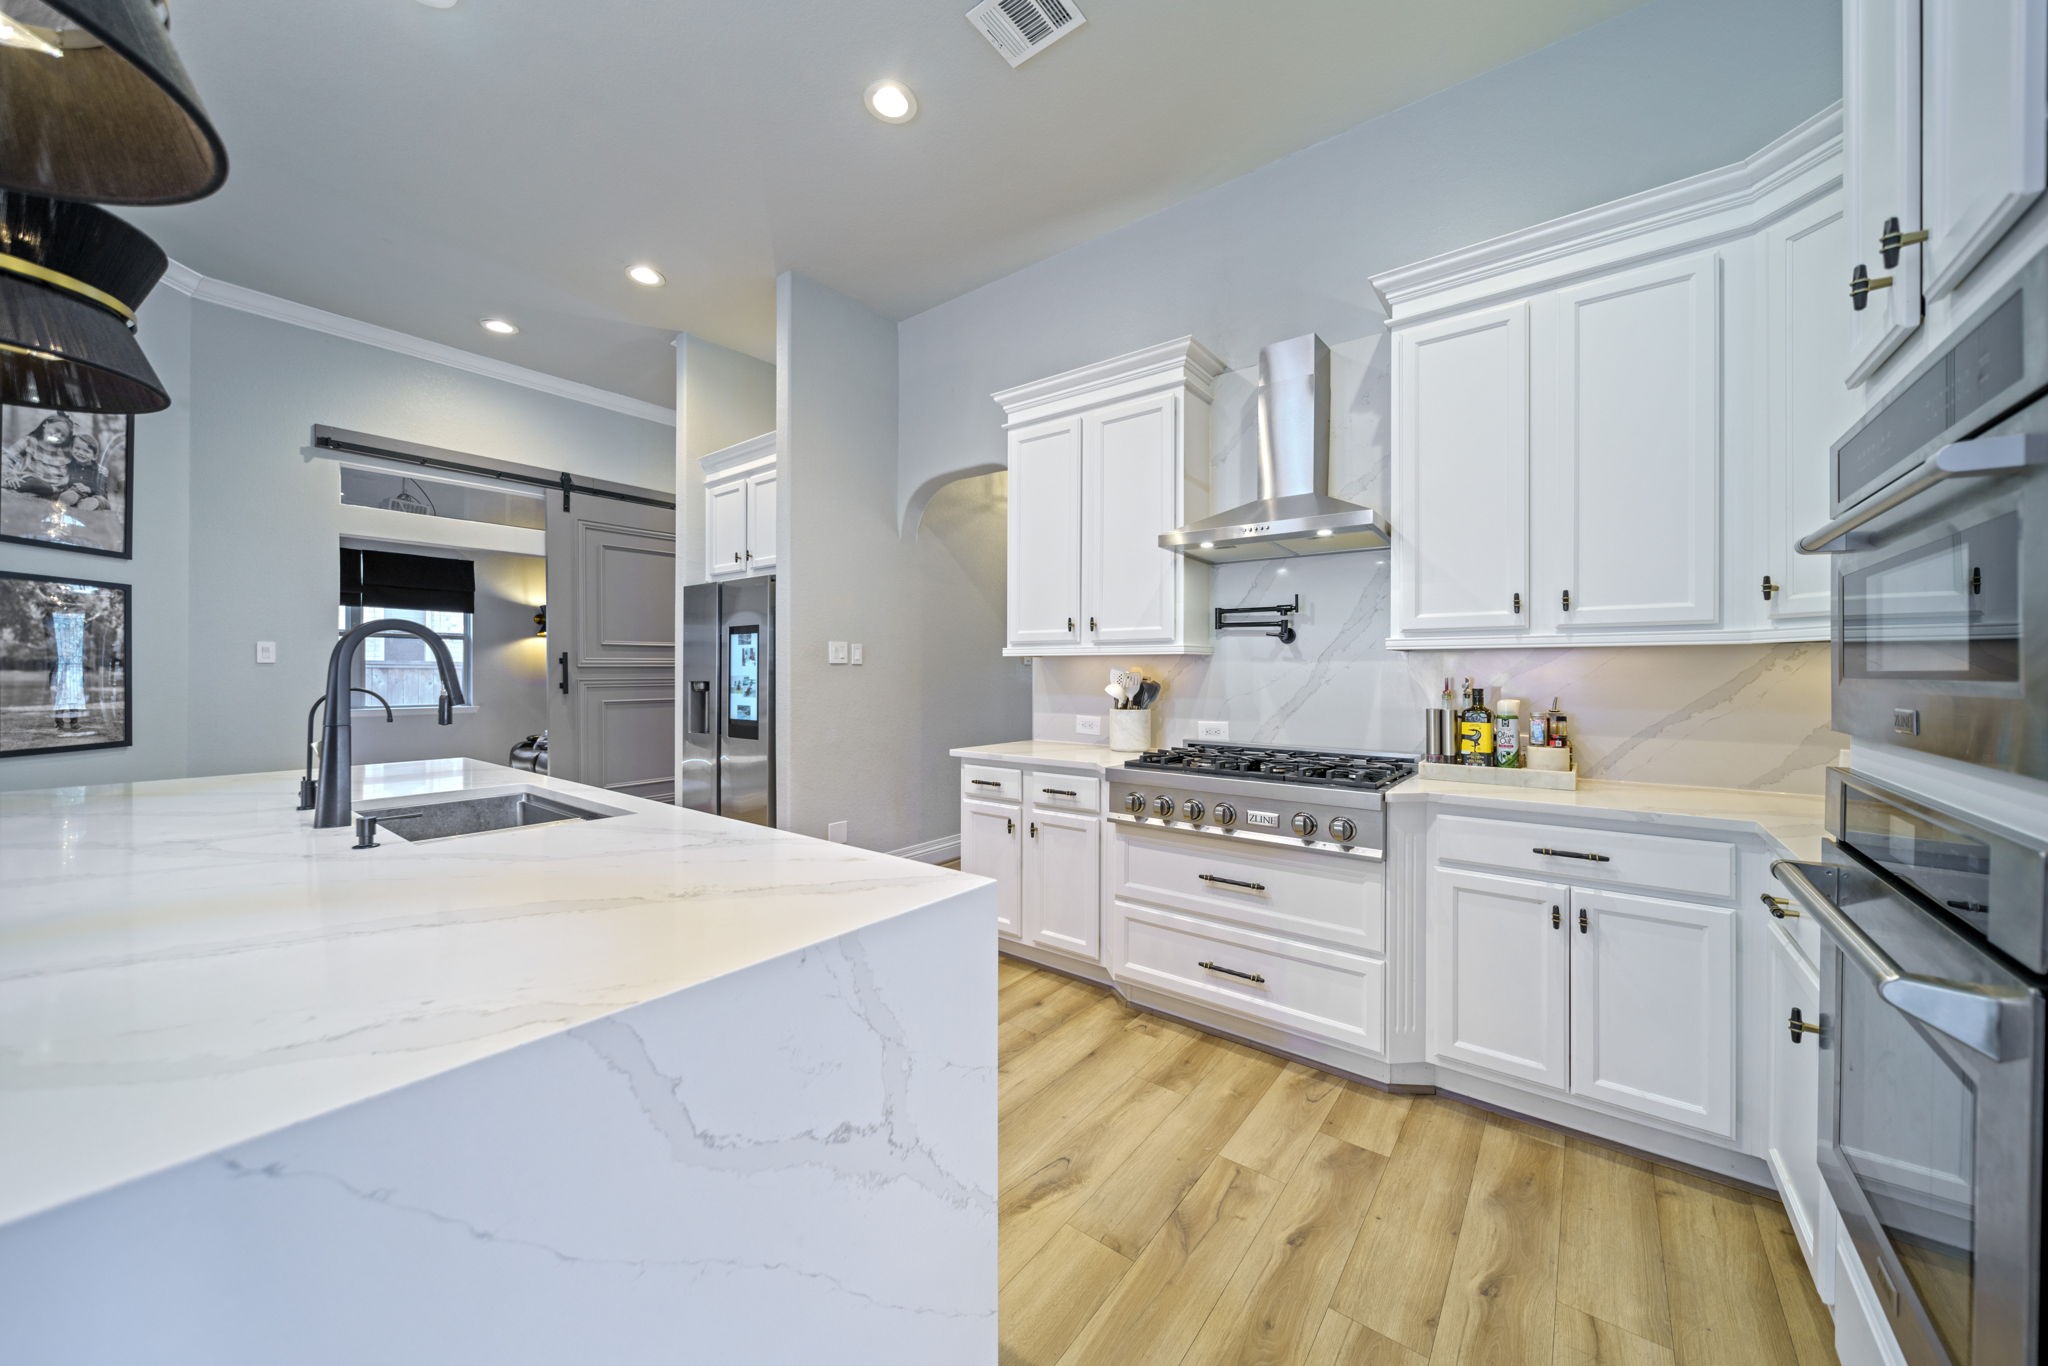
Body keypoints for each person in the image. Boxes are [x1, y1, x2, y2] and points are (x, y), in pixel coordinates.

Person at [2, 414, 108, 510]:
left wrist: (100, 470)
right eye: (56, 430)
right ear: (46, 424)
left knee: (56, 491)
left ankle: (88, 502)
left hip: (56, 490)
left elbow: (84, 452)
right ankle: (10, 485)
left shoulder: (66, 450)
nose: (58, 436)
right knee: (33, 482)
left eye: (63, 435)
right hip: (31, 480)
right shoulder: (30, 441)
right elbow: (7, 457)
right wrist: (9, 475)